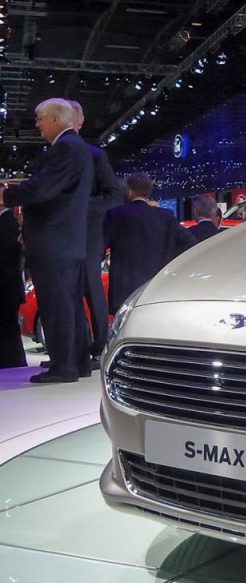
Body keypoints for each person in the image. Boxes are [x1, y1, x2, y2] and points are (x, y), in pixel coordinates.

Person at [1, 98, 94, 383]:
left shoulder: (65, 148)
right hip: (66, 241)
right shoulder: (76, 147)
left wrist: (6, 196)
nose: (37, 124)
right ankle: (77, 362)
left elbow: (43, 189)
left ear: (54, 118)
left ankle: (63, 367)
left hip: (54, 241)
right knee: (69, 304)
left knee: (57, 305)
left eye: (40, 118)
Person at [69, 100, 124, 359]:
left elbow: (113, 195)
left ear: (78, 123)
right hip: (60, 235)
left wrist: (78, 207)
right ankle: (73, 349)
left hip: (88, 234)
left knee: (91, 289)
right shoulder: (53, 155)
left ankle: (100, 346)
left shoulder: (94, 155)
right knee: (67, 292)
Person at [104, 172, 196, 311]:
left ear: (129, 191)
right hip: (156, 288)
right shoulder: (166, 216)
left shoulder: (115, 215)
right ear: (148, 191)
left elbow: (99, 247)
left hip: (124, 291)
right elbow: (190, 242)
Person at [0, 206, 26, 369]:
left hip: (7, 285)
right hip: (7, 285)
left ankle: (14, 361)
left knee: (8, 327)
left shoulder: (8, 221)